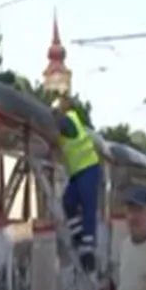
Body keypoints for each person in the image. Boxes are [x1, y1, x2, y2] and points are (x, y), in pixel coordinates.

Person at [53, 93, 103, 272]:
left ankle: (87, 249)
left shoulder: (69, 121)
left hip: (88, 168)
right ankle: (77, 233)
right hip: (78, 171)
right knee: (68, 201)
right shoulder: (71, 122)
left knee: (88, 206)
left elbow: (58, 121)